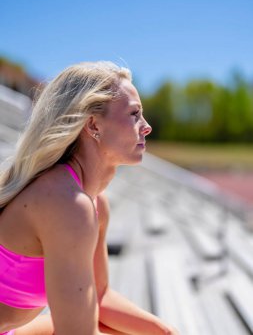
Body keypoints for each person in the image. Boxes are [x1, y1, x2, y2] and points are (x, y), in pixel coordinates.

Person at [0, 61, 178, 335]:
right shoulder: (68, 205)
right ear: (93, 125)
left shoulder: (94, 203)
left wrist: (165, 331)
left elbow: (100, 296)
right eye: (134, 114)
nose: (147, 127)